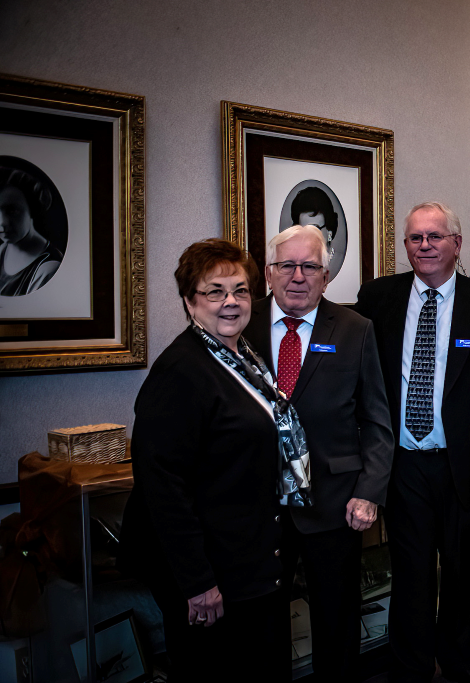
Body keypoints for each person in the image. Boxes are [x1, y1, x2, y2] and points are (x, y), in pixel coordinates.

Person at [121, 239, 301, 682]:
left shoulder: (243, 358)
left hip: (251, 561)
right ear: (189, 300)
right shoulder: (181, 372)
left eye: (240, 290)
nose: (231, 302)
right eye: (215, 291)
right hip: (210, 576)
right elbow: (163, 490)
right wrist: (198, 583)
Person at [353, 201, 470, 683]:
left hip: (463, 466)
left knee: (461, 569)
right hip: (402, 465)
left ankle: (460, 660)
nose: (424, 246)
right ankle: (412, 667)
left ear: (456, 245)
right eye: (415, 239)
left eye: (434, 237)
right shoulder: (377, 299)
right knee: (410, 572)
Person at [245, 224, 393, 681]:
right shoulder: (239, 326)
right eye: (286, 265)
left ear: (326, 276)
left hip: (335, 503)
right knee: (261, 625)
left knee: (336, 618)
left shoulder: (354, 330)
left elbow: (377, 422)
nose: (297, 276)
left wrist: (368, 492)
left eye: (309, 266)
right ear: (268, 274)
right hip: (258, 506)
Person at [0, 167, 63, 295]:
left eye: (12, 211)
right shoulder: (2, 250)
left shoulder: (46, 269)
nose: (2, 223)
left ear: (32, 210)